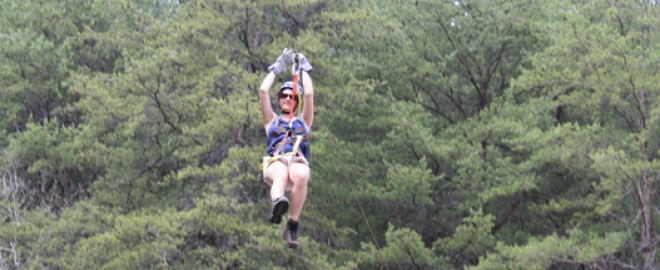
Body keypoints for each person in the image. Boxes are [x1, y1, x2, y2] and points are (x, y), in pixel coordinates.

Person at [258, 48, 314, 249]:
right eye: (284, 95)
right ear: (279, 98)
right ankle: (277, 204)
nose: (288, 99)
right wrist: (276, 69)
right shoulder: (271, 120)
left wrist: (304, 70)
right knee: (281, 170)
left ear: (296, 101)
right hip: (276, 162)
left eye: (292, 96)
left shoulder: (304, 122)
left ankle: (292, 223)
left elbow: (308, 93)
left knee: (301, 173)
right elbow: (263, 91)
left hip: (296, 160)